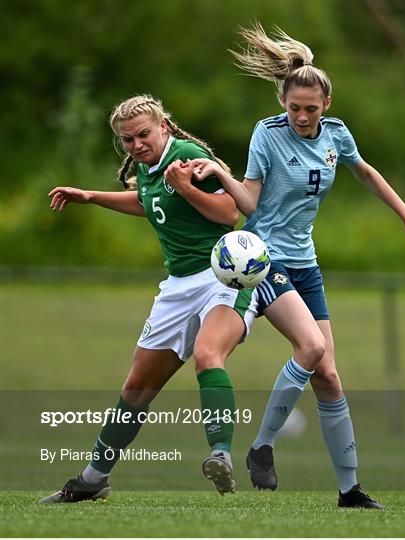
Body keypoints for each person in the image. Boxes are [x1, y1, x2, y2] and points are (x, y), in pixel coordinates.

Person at [189, 23, 405, 509]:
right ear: (284, 103)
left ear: (326, 104)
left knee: (328, 376)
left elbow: (365, 171)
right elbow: (249, 203)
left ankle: (350, 491)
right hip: (266, 260)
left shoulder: (337, 136)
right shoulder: (267, 133)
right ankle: (262, 445)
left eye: (311, 108)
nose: (302, 116)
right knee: (311, 345)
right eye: (294, 108)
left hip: (307, 264)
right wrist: (220, 172)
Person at [39, 95, 258, 503]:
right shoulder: (147, 165)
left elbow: (229, 215)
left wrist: (185, 187)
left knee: (208, 355)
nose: (137, 144)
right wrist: (90, 196)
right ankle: (92, 480)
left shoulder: (187, 156)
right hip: (177, 287)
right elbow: (149, 202)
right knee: (137, 387)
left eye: (143, 134)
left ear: (164, 126)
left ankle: (221, 456)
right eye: (127, 140)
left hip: (221, 277)